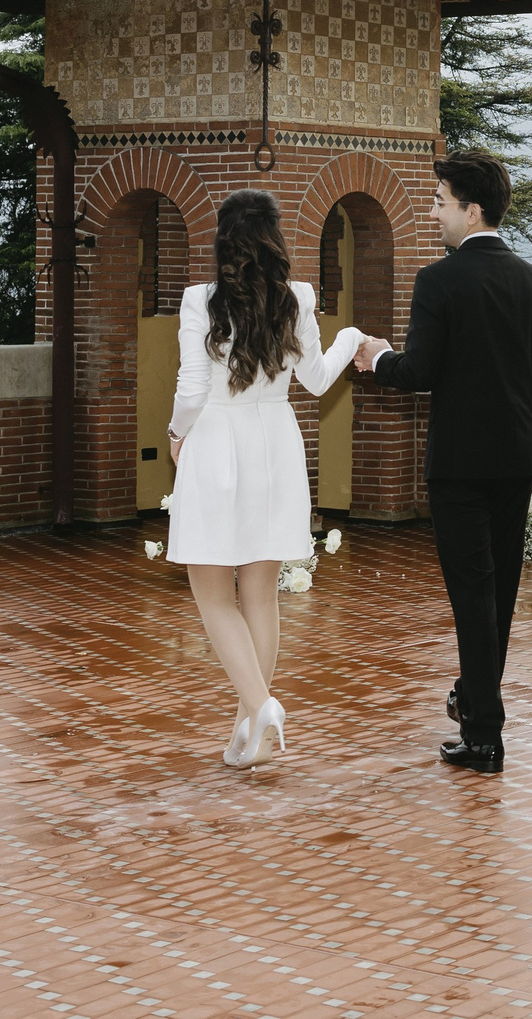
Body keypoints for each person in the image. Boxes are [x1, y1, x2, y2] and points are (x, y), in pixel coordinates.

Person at [356, 151, 532, 775]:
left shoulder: (438, 281)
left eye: (440, 202)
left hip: (459, 467)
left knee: (473, 595)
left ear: (471, 211)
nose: (434, 213)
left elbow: (420, 370)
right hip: (516, 461)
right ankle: (473, 700)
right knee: (498, 592)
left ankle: (484, 735)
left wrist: (377, 358)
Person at [166, 189, 367, 768]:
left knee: (213, 595)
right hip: (275, 444)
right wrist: (352, 337)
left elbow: (191, 391)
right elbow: (318, 380)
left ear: (223, 240)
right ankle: (250, 728)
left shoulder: (199, 301)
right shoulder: (296, 297)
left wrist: (176, 435)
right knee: (259, 593)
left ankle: (260, 707)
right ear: (275, 239)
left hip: (216, 440)